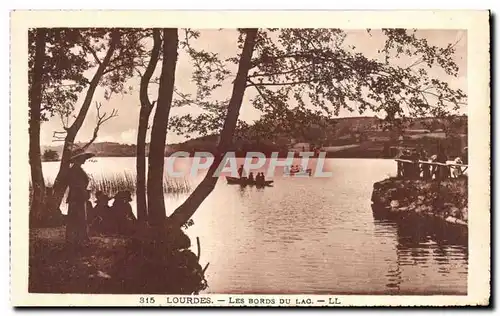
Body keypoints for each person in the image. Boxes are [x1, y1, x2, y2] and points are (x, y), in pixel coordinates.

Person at [66, 151, 95, 245]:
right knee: (79, 217)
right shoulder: (75, 170)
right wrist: (85, 193)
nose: (85, 160)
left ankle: (78, 238)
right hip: (77, 196)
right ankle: (78, 239)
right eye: (83, 158)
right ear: (78, 159)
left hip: (77, 196)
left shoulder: (75, 169)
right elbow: (78, 185)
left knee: (77, 217)